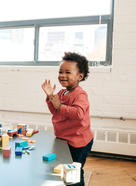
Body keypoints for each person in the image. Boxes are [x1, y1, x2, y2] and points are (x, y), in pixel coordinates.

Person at [41, 52, 94, 186]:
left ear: (79, 76)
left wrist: (60, 105)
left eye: (68, 72)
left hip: (79, 142)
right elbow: (55, 111)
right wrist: (50, 97)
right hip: (64, 139)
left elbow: (78, 113)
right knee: (63, 166)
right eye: (60, 71)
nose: (62, 75)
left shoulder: (80, 94)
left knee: (74, 171)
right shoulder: (61, 93)